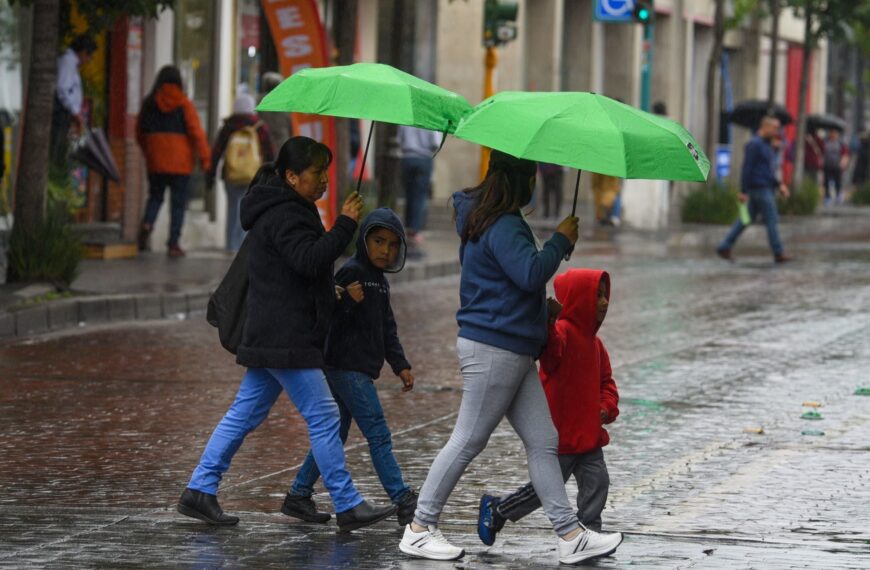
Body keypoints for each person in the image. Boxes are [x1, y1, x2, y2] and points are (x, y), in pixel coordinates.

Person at [398, 150, 623, 564]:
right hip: (495, 347)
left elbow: (514, 283)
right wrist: (560, 240)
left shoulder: (495, 219)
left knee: (544, 441)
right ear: (520, 180)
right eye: (532, 177)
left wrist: (543, 313)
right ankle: (419, 527)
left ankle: (570, 534)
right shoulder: (501, 224)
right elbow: (530, 273)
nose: (536, 184)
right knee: (468, 439)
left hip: (513, 348)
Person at [178, 136, 396, 532]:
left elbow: (292, 271)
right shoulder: (286, 213)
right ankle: (347, 503)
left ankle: (200, 489)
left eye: (327, 172)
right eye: (317, 173)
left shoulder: (289, 208)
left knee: (244, 412)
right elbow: (309, 260)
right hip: (285, 335)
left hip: (274, 331)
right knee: (326, 414)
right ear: (292, 176)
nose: (325, 180)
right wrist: (346, 223)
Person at [283, 208, 418, 526]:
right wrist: (344, 300)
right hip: (345, 367)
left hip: (358, 369)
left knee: (334, 433)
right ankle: (402, 498)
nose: (385, 250)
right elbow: (325, 316)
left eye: (392, 244)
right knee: (378, 433)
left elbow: (387, 328)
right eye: (378, 241)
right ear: (364, 241)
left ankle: (298, 494)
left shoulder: (380, 282)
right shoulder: (350, 271)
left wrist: (400, 364)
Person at [478, 269, 619, 545]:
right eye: (597, 296)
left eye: (605, 296)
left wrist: (606, 406)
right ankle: (498, 509)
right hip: (561, 435)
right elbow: (551, 356)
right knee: (541, 492)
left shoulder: (596, 343)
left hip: (588, 436)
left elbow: (607, 383)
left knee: (598, 483)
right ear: (578, 300)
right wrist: (549, 322)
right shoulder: (562, 332)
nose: (604, 302)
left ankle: (590, 530)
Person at [136, 66, 211, 257]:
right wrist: (205, 160)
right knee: (178, 204)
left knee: (155, 196)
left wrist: (149, 152)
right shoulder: (184, 104)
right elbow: (197, 133)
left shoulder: (149, 103)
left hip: (156, 161)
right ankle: (173, 244)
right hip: (181, 163)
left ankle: (147, 224)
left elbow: (139, 132)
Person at [716, 116, 792, 263]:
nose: (777, 131)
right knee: (772, 219)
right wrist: (743, 191)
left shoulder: (767, 145)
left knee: (745, 220)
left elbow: (768, 170)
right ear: (765, 127)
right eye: (775, 128)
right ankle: (778, 252)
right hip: (759, 188)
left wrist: (778, 185)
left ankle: (725, 246)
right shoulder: (754, 144)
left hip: (765, 186)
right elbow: (747, 168)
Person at [207, 93, 275, 251]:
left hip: (231, 174)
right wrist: (272, 174)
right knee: (248, 210)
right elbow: (270, 152)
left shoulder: (228, 126)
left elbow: (217, 152)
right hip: (253, 175)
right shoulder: (259, 126)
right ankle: (242, 248)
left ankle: (231, 245)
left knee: (233, 209)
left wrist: (210, 175)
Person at [50, 34, 97, 169]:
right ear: (82, 52)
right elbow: (63, 88)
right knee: (56, 147)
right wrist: (75, 112)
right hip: (61, 112)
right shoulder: (68, 62)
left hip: (66, 113)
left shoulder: (71, 64)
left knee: (60, 146)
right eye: (89, 56)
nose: (89, 60)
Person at [398, 125, 439, 246]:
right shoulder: (430, 118)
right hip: (424, 158)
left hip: (407, 157)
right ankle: (415, 230)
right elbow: (436, 142)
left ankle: (407, 226)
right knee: (420, 195)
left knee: (408, 194)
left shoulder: (407, 118)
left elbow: (399, 138)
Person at [258, 72, 293, 152]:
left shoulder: (259, 100)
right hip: (282, 140)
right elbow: (290, 125)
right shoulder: (286, 102)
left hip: (263, 141)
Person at [822, 129, 849, 206]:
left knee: (838, 182)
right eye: (831, 132)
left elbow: (845, 153)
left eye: (834, 133)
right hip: (827, 165)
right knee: (826, 182)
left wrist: (843, 162)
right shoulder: (825, 142)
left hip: (837, 165)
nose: (833, 134)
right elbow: (821, 152)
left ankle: (838, 195)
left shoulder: (840, 143)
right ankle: (828, 197)